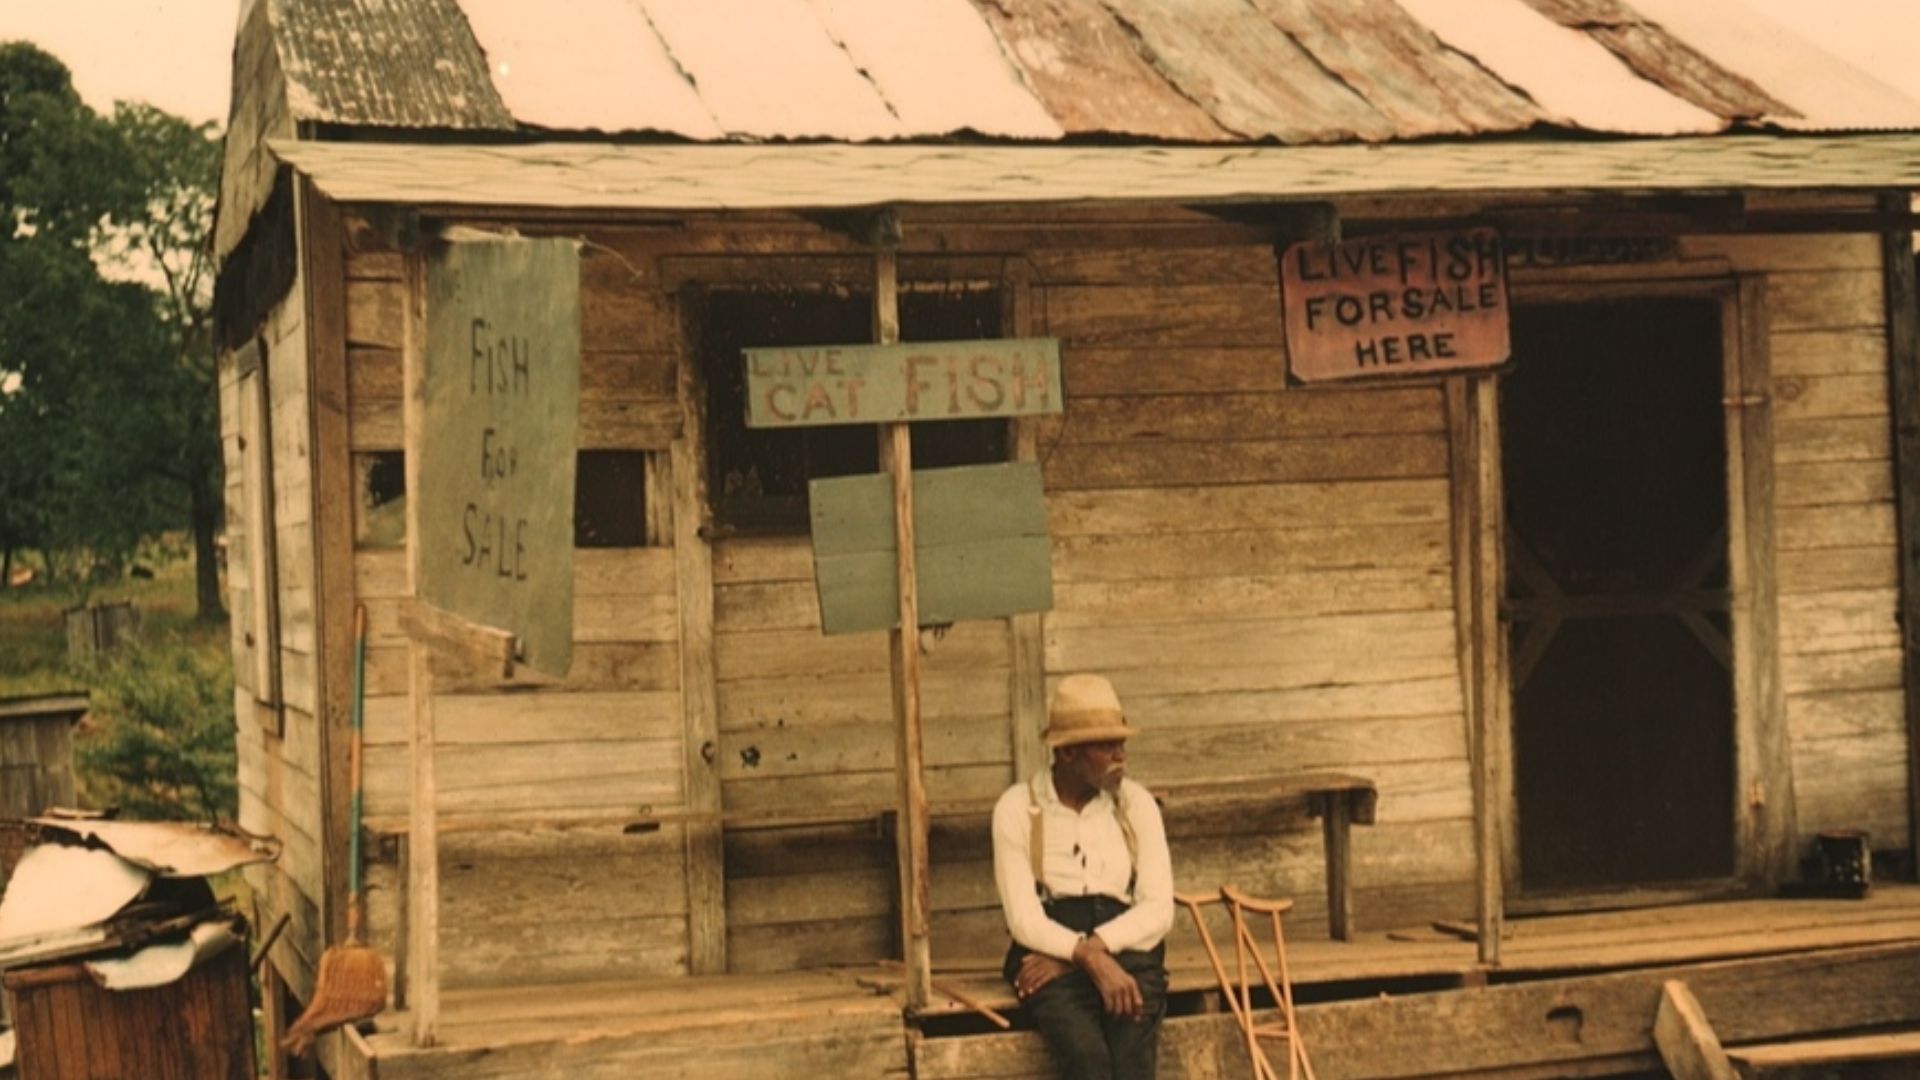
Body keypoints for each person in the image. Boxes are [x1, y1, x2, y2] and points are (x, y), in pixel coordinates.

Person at [992, 673, 1174, 1080]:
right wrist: (1087, 959)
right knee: (1089, 1066)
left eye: (1122, 743)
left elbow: (1159, 909)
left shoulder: (1136, 805)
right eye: (1106, 745)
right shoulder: (1018, 808)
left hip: (1127, 954)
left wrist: (1087, 956)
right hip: (1047, 957)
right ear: (1068, 753)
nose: (1120, 755)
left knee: (1131, 1067)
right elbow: (1023, 919)